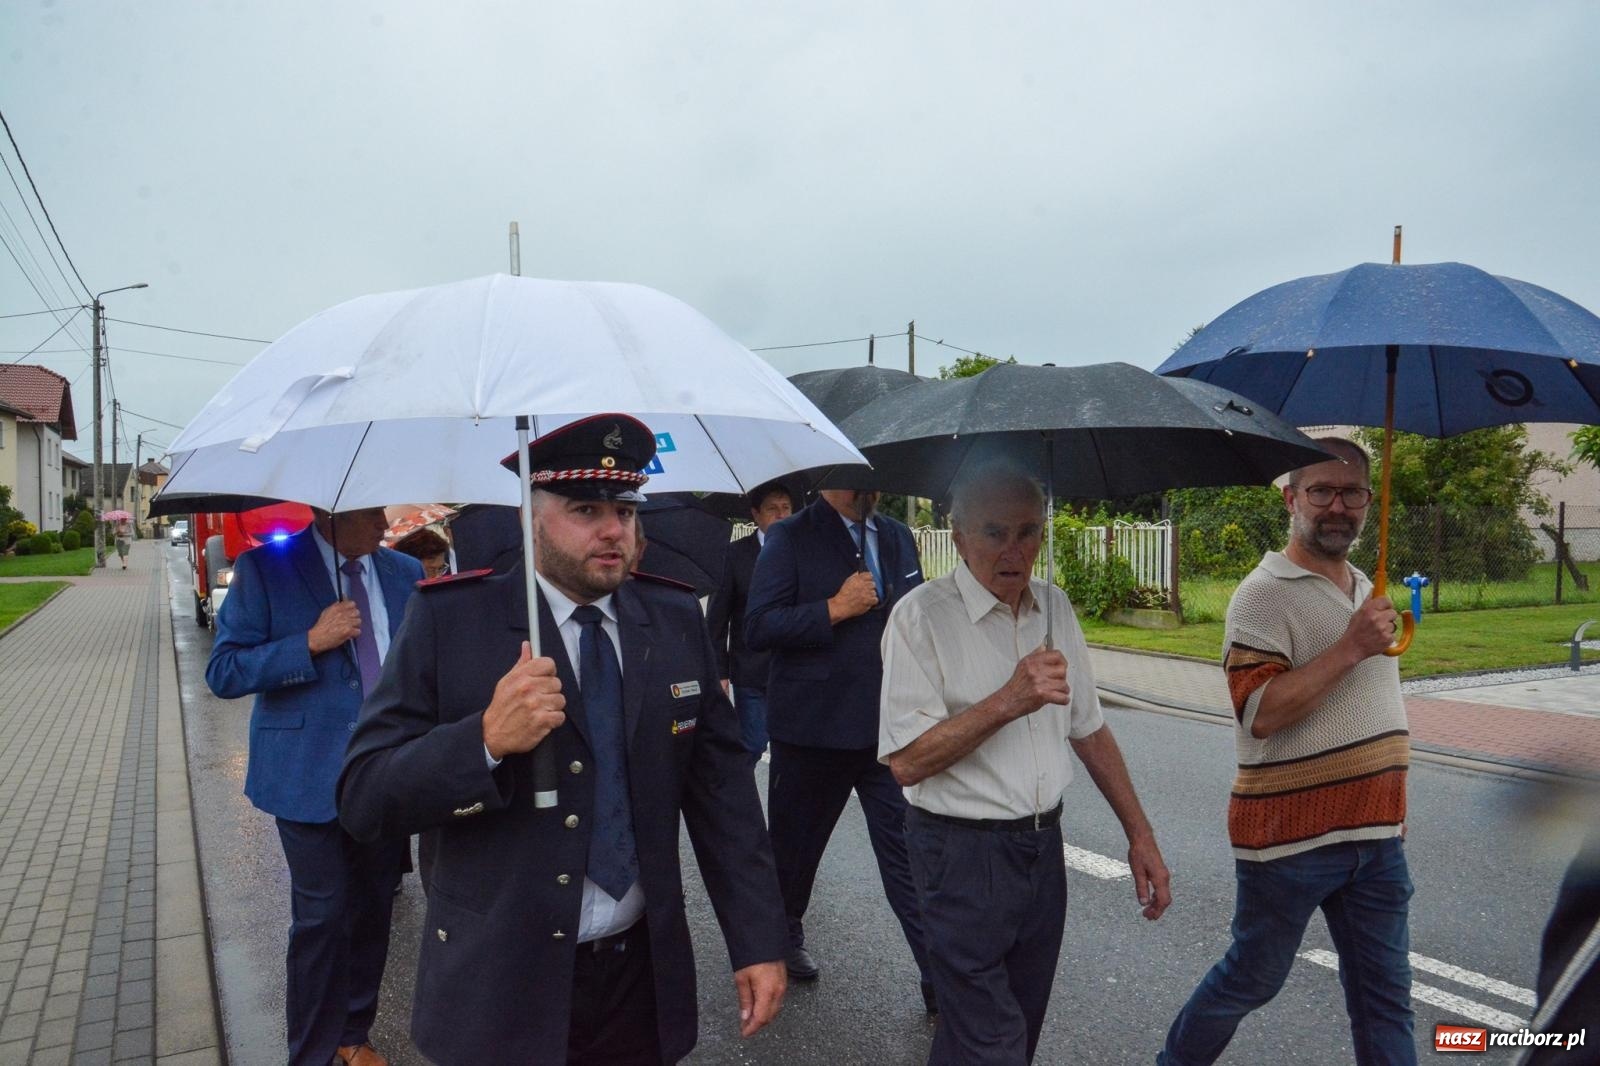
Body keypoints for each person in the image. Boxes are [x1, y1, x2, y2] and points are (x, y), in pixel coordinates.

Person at [337, 414, 787, 1065]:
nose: (614, 530)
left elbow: (724, 796)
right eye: (585, 509)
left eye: (627, 510)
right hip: (500, 984)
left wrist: (757, 938)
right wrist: (484, 740)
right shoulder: (449, 621)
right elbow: (364, 798)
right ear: (531, 518)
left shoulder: (670, 619)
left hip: (639, 977)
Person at [879, 465, 1171, 1064]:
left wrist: (1140, 835)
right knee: (995, 1044)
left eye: (1028, 531)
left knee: (1009, 1030)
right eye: (994, 532)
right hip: (958, 855)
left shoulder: (1055, 607)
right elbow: (907, 762)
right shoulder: (919, 617)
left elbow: (1088, 728)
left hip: (1041, 850)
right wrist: (1008, 700)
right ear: (957, 535)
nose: (1014, 551)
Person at [1159, 437, 1415, 1066]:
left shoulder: (1364, 585)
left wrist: (1362, 636)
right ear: (1290, 498)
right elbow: (1260, 713)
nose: (1339, 506)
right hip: (1289, 839)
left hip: (1376, 836)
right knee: (1253, 978)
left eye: (1353, 492)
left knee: (1386, 997)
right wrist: (1352, 647)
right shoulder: (1261, 595)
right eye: (1322, 491)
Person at [205, 506, 422, 1066]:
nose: (384, 523)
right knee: (323, 916)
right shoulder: (264, 569)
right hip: (305, 773)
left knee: (374, 910)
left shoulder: (404, 572)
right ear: (334, 509)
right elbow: (224, 671)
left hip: (384, 773)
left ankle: (354, 1033)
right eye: (373, 512)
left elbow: (420, 665)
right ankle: (311, 1051)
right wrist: (310, 642)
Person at [744, 484, 934, 1006]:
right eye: (854, 477)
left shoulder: (897, 536)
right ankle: (783, 937)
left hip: (887, 732)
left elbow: (915, 617)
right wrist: (832, 608)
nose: (868, 488)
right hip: (811, 731)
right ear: (827, 478)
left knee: (908, 855)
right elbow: (758, 626)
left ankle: (939, 976)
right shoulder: (789, 537)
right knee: (792, 852)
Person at [706, 480, 795, 758]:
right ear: (756, 514)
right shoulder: (734, 555)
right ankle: (739, 800)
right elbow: (717, 619)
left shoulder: (802, 551)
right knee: (752, 745)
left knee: (792, 749)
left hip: (794, 670)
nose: (781, 515)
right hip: (751, 671)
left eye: (786, 508)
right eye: (772, 509)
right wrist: (718, 672)